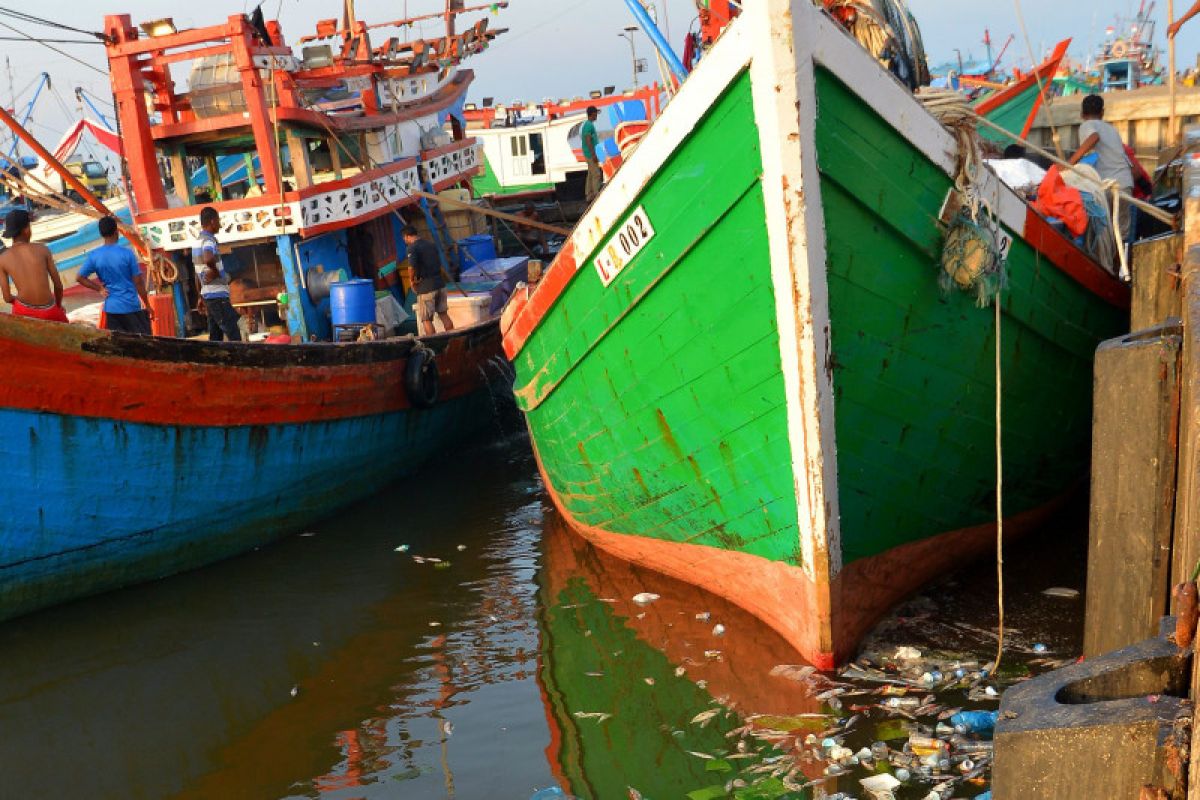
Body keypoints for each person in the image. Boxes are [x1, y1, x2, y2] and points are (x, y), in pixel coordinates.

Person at [1068, 94, 1134, 241]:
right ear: (1102, 113)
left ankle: (1104, 263)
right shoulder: (1112, 130)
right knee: (1122, 235)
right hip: (1125, 185)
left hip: (1106, 186)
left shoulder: (1087, 125)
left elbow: (1093, 137)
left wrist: (1069, 163)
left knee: (1103, 235)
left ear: (1082, 114)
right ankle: (1121, 262)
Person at [76, 215, 154, 335]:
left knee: (119, 346)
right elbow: (138, 282)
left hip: (112, 309)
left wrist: (99, 288)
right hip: (131, 307)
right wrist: (147, 304)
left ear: (102, 234)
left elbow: (80, 278)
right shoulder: (127, 254)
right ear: (116, 231)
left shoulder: (94, 256)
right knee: (141, 344)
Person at [0, 208, 67, 322]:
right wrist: (58, 307)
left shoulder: (2, 259)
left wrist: (22, 304)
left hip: (23, 311)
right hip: (49, 310)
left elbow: (7, 298)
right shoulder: (43, 249)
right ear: (26, 230)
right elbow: (58, 286)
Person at [191, 205, 241, 342]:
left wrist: (200, 295)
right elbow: (208, 258)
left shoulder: (196, 242)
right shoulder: (208, 240)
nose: (219, 224)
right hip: (217, 296)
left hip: (208, 296)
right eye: (218, 220)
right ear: (212, 221)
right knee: (233, 333)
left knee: (216, 337)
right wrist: (215, 271)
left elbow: (197, 273)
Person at [403, 225, 454, 336]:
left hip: (426, 288)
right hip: (440, 284)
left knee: (426, 319)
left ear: (407, 236)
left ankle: (433, 344)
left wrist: (411, 281)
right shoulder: (431, 245)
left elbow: (411, 267)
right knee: (443, 314)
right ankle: (454, 338)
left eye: (404, 238)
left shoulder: (412, 248)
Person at [581, 106, 602, 202]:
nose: (597, 115)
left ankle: (589, 194)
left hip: (588, 153)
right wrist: (593, 154)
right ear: (592, 113)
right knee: (596, 174)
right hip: (590, 154)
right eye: (596, 113)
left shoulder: (587, 124)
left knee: (590, 174)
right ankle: (596, 194)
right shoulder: (589, 125)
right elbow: (588, 140)